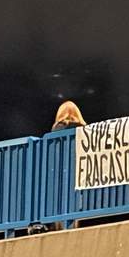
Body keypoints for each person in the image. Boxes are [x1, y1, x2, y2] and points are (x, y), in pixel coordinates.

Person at [28, 100, 87, 236]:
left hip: (59, 171)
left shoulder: (57, 130)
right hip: (78, 172)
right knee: (75, 203)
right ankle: (73, 227)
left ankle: (58, 227)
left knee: (58, 201)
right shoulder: (84, 130)